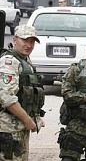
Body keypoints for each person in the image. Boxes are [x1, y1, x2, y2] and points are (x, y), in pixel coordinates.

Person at [0, 25, 45, 160]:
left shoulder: (25, 60)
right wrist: (27, 120)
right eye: (24, 40)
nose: (28, 45)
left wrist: (35, 118)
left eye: (32, 41)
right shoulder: (8, 62)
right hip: (8, 129)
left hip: (19, 128)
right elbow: (6, 97)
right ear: (15, 40)